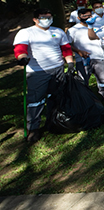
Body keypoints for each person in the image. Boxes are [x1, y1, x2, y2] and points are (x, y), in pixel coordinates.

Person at [13, 8, 75, 143]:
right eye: (43, 17)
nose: (46, 20)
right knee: (36, 100)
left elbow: (66, 48)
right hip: (37, 71)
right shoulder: (26, 32)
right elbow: (20, 49)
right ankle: (33, 128)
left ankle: (53, 120)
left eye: (49, 17)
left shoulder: (58, 31)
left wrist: (70, 64)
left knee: (56, 96)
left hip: (57, 68)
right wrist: (22, 57)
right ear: (35, 19)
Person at [68, 8, 104, 101]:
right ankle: (86, 98)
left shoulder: (97, 27)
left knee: (102, 78)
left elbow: (102, 39)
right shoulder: (72, 30)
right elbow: (68, 44)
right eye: (84, 16)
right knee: (83, 79)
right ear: (78, 17)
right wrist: (78, 51)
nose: (87, 17)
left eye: (89, 15)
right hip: (82, 59)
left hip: (98, 56)